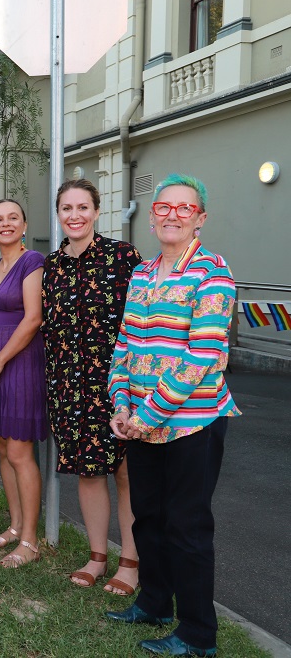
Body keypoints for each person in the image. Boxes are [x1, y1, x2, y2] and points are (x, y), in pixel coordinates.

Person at [106, 174, 240, 657]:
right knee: (148, 519)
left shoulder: (212, 273)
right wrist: (122, 404)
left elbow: (202, 354)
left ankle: (198, 635)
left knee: (186, 527)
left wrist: (149, 412)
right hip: (140, 420)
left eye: (185, 208)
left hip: (192, 422)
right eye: (164, 207)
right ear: (153, 215)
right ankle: (155, 603)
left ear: (199, 218)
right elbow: (124, 345)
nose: (173, 215)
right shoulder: (142, 273)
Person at [41, 179, 142, 593]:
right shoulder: (51, 264)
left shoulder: (123, 257)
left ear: (97, 211)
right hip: (68, 384)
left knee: (125, 472)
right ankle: (97, 556)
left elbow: (141, 323)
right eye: (67, 208)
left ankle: (131, 562)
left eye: (83, 207)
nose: (75, 215)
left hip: (118, 382)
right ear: (59, 214)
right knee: (87, 470)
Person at [0, 199, 46, 568]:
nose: (5, 223)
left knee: (19, 453)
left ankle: (31, 541)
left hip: (20, 366)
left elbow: (33, 319)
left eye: (12, 217)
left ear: (24, 224)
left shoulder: (32, 262)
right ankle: (15, 527)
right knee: (2, 450)